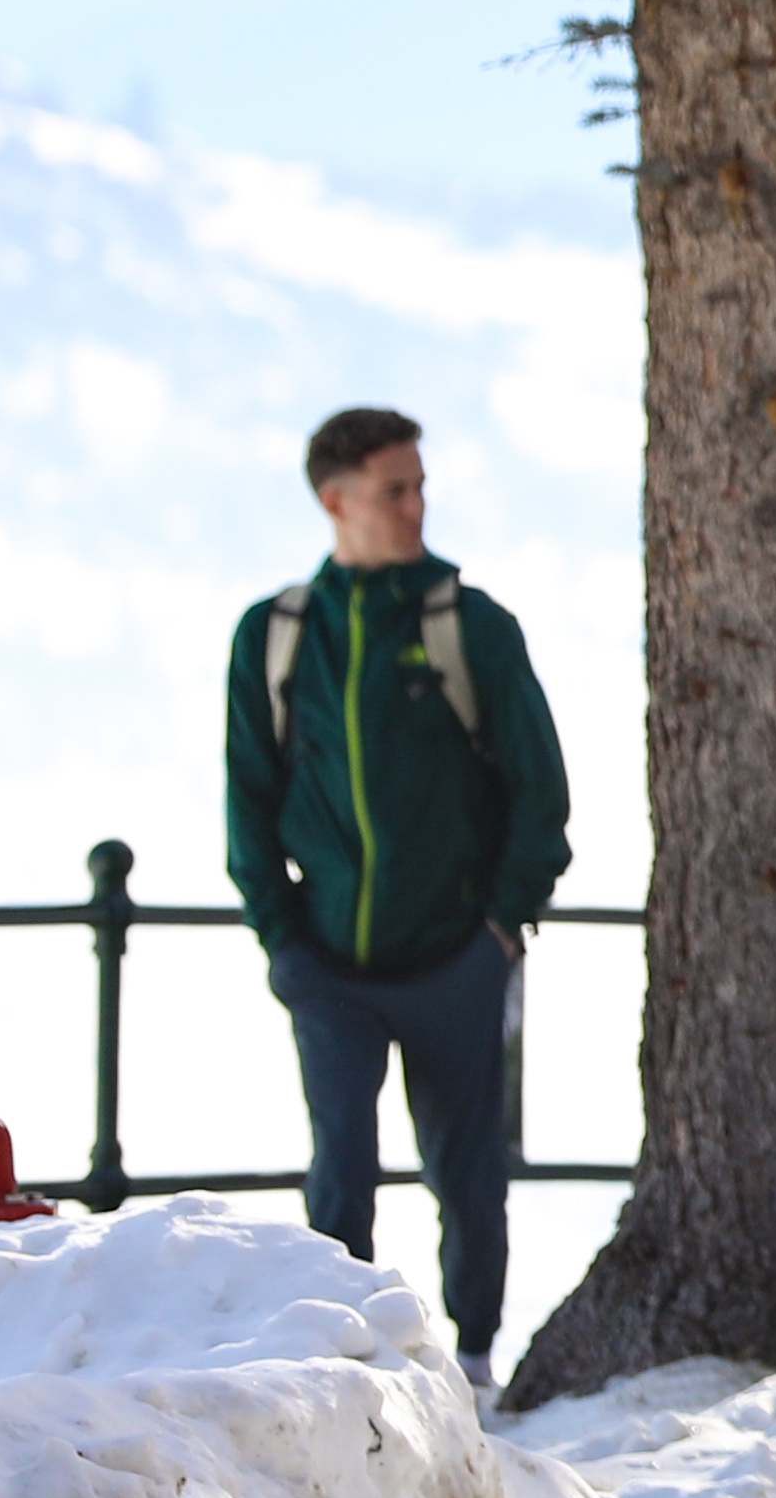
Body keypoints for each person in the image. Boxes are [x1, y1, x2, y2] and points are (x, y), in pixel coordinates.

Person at [223, 407, 573, 1392]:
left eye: (421, 485)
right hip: (327, 962)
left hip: (459, 953)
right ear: (335, 499)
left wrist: (503, 925)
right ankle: (346, 1367)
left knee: (469, 1173)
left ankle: (473, 1362)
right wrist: (279, 935)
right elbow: (248, 797)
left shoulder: (471, 626)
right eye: (395, 488)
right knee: (340, 1165)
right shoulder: (278, 635)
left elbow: (540, 790)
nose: (417, 506)